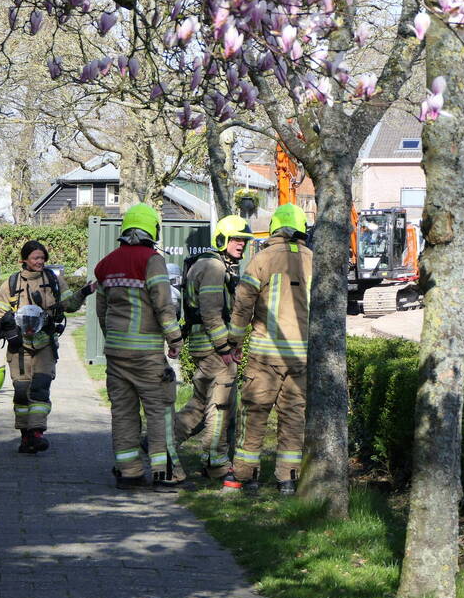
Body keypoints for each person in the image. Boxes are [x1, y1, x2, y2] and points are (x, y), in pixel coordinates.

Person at [223, 203, 312, 496]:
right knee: (293, 417)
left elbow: (243, 305)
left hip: (265, 354)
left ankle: (245, 475)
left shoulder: (262, 259)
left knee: (255, 413)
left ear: (274, 228)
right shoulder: (314, 260)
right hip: (301, 358)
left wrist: (235, 342)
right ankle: (288, 479)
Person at [94, 203, 185, 490]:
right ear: (152, 230)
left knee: (123, 413)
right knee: (158, 411)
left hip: (116, 353)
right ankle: (164, 473)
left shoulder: (106, 264)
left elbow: (101, 311)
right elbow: (163, 304)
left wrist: (112, 339)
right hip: (146, 355)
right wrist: (175, 340)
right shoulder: (152, 260)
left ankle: (129, 472)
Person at [0, 240, 95, 454]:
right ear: (24, 260)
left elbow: (69, 305)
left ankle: (37, 433)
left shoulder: (54, 280)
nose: (40, 261)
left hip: (45, 343)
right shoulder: (11, 284)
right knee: (21, 391)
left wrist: (84, 292)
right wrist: (8, 333)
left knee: (40, 387)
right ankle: (25, 436)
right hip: (19, 347)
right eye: (35, 258)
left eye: (42, 257)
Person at [171, 215, 255, 481]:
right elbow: (210, 313)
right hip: (214, 350)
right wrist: (224, 348)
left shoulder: (209, 263)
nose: (241, 244)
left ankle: (159, 443)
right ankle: (216, 462)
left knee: (199, 406)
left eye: (244, 240)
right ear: (222, 239)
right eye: (236, 239)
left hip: (204, 346)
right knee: (219, 407)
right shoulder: (214, 267)